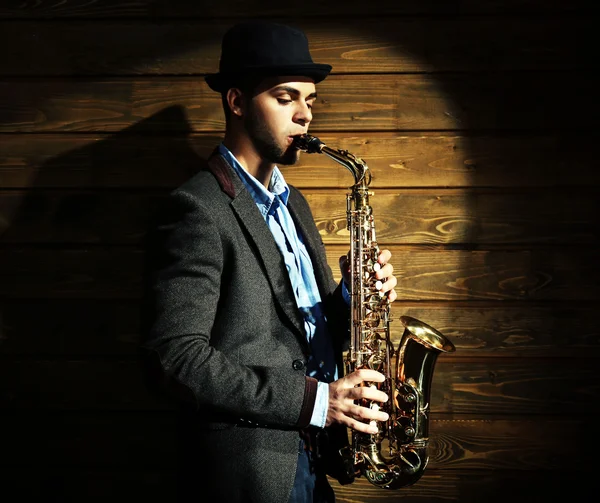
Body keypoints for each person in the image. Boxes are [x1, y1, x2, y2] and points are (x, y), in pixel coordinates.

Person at [140, 20, 398, 503]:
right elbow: (173, 359)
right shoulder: (196, 208)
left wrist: (353, 300)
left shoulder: (294, 203)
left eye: (310, 100)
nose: (305, 116)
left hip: (316, 455)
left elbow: (297, 337)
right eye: (286, 98)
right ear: (236, 102)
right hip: (251, 471)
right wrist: (319, 402)